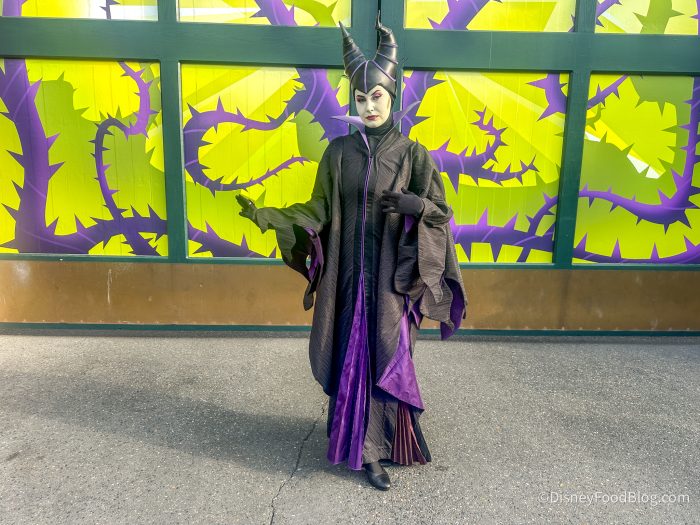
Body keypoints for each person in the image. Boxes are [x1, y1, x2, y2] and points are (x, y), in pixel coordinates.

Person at [237, 15, 467, 491]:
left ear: (392, 95)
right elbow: (318, 209)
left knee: (388, 354)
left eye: (376, 96)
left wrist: (417, 205)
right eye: (361, 98)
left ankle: (394, 440)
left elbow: (441, 213)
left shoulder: (412, 154)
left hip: (392, 278)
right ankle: (367, 451)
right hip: (347, 277)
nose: (369, 105)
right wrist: (270, 217)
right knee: (352, 355)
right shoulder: (338, 152)